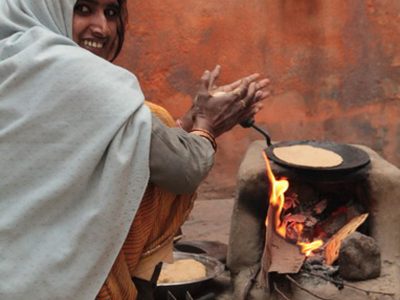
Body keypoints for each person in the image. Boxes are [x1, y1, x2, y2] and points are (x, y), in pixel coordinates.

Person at [0, 0, 270, 299]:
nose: (102, 28)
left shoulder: (12, 56)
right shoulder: (76, 73)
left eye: (112, 13)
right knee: (155, 118)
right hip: (60, 284)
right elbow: (183, 169)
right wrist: (207, 126)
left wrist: (190, 121)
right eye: (83, 9)